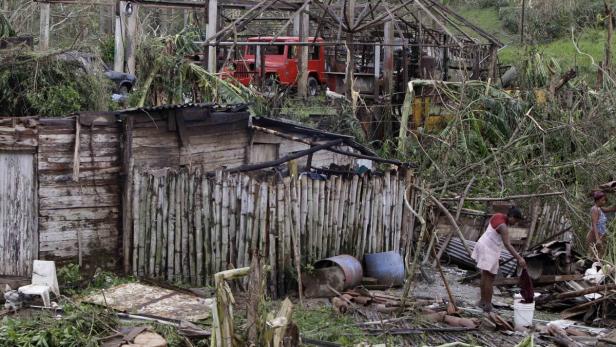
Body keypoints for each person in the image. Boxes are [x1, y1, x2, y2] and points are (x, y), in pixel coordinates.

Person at [472, 207, 527, 312]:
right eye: (515, 220)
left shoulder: (496, 215)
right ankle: (488, 305)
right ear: (511, 217)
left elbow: (489, 231)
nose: (515, 223)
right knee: (490, 278)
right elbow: (507, 244)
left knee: (485, 275)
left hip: (484, 245)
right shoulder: (503, 226)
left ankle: (482, 302)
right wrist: (519, 258)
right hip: (488, 249)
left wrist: (496, 253)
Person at [587, 191, 616, 256]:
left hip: (600, 235)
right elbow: (594, 224)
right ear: (597, 200)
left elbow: (611, 209)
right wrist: (597, 239)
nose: (604, 202)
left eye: (604, 200)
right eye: (602, 200)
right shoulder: (595, 209)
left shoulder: (600, 208)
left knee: (599, 255)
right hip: (594, 236)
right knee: (593, 255)